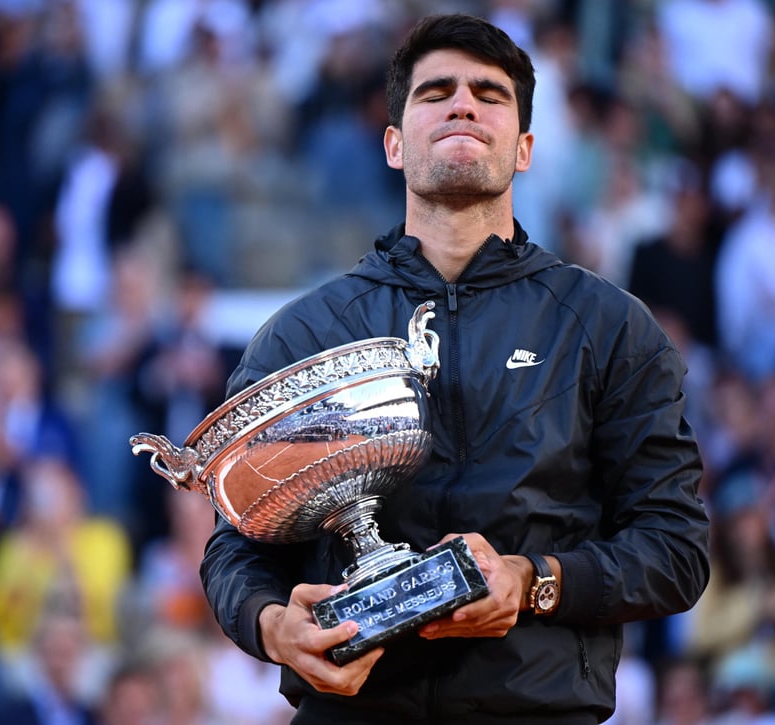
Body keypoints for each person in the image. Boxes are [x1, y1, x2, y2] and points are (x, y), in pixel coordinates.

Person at [199, 14, 711, 723]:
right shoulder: (305, 334)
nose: (463, 103)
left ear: (525, 147)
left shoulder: (608, 326)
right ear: (393, 143)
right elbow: (236, 546)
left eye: (489, 94)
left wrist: (535, 581)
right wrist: (269, 624)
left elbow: (676, 546)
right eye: (435, 91)